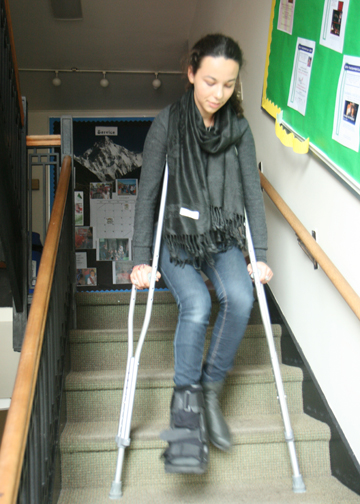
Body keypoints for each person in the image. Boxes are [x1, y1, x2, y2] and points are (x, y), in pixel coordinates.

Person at [130, 34, 273, 475]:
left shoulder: (239, 130)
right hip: (175, 237)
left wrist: (259, 252)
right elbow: (148, 194)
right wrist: (140, 257)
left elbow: (252, 192)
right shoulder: (166, 124)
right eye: (210, 81)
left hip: (221, 235)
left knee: (242, 297)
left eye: (228, 85)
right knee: (197, 304)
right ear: (191, 73)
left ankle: (210, 390)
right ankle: (186, 415)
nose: (217, 94)